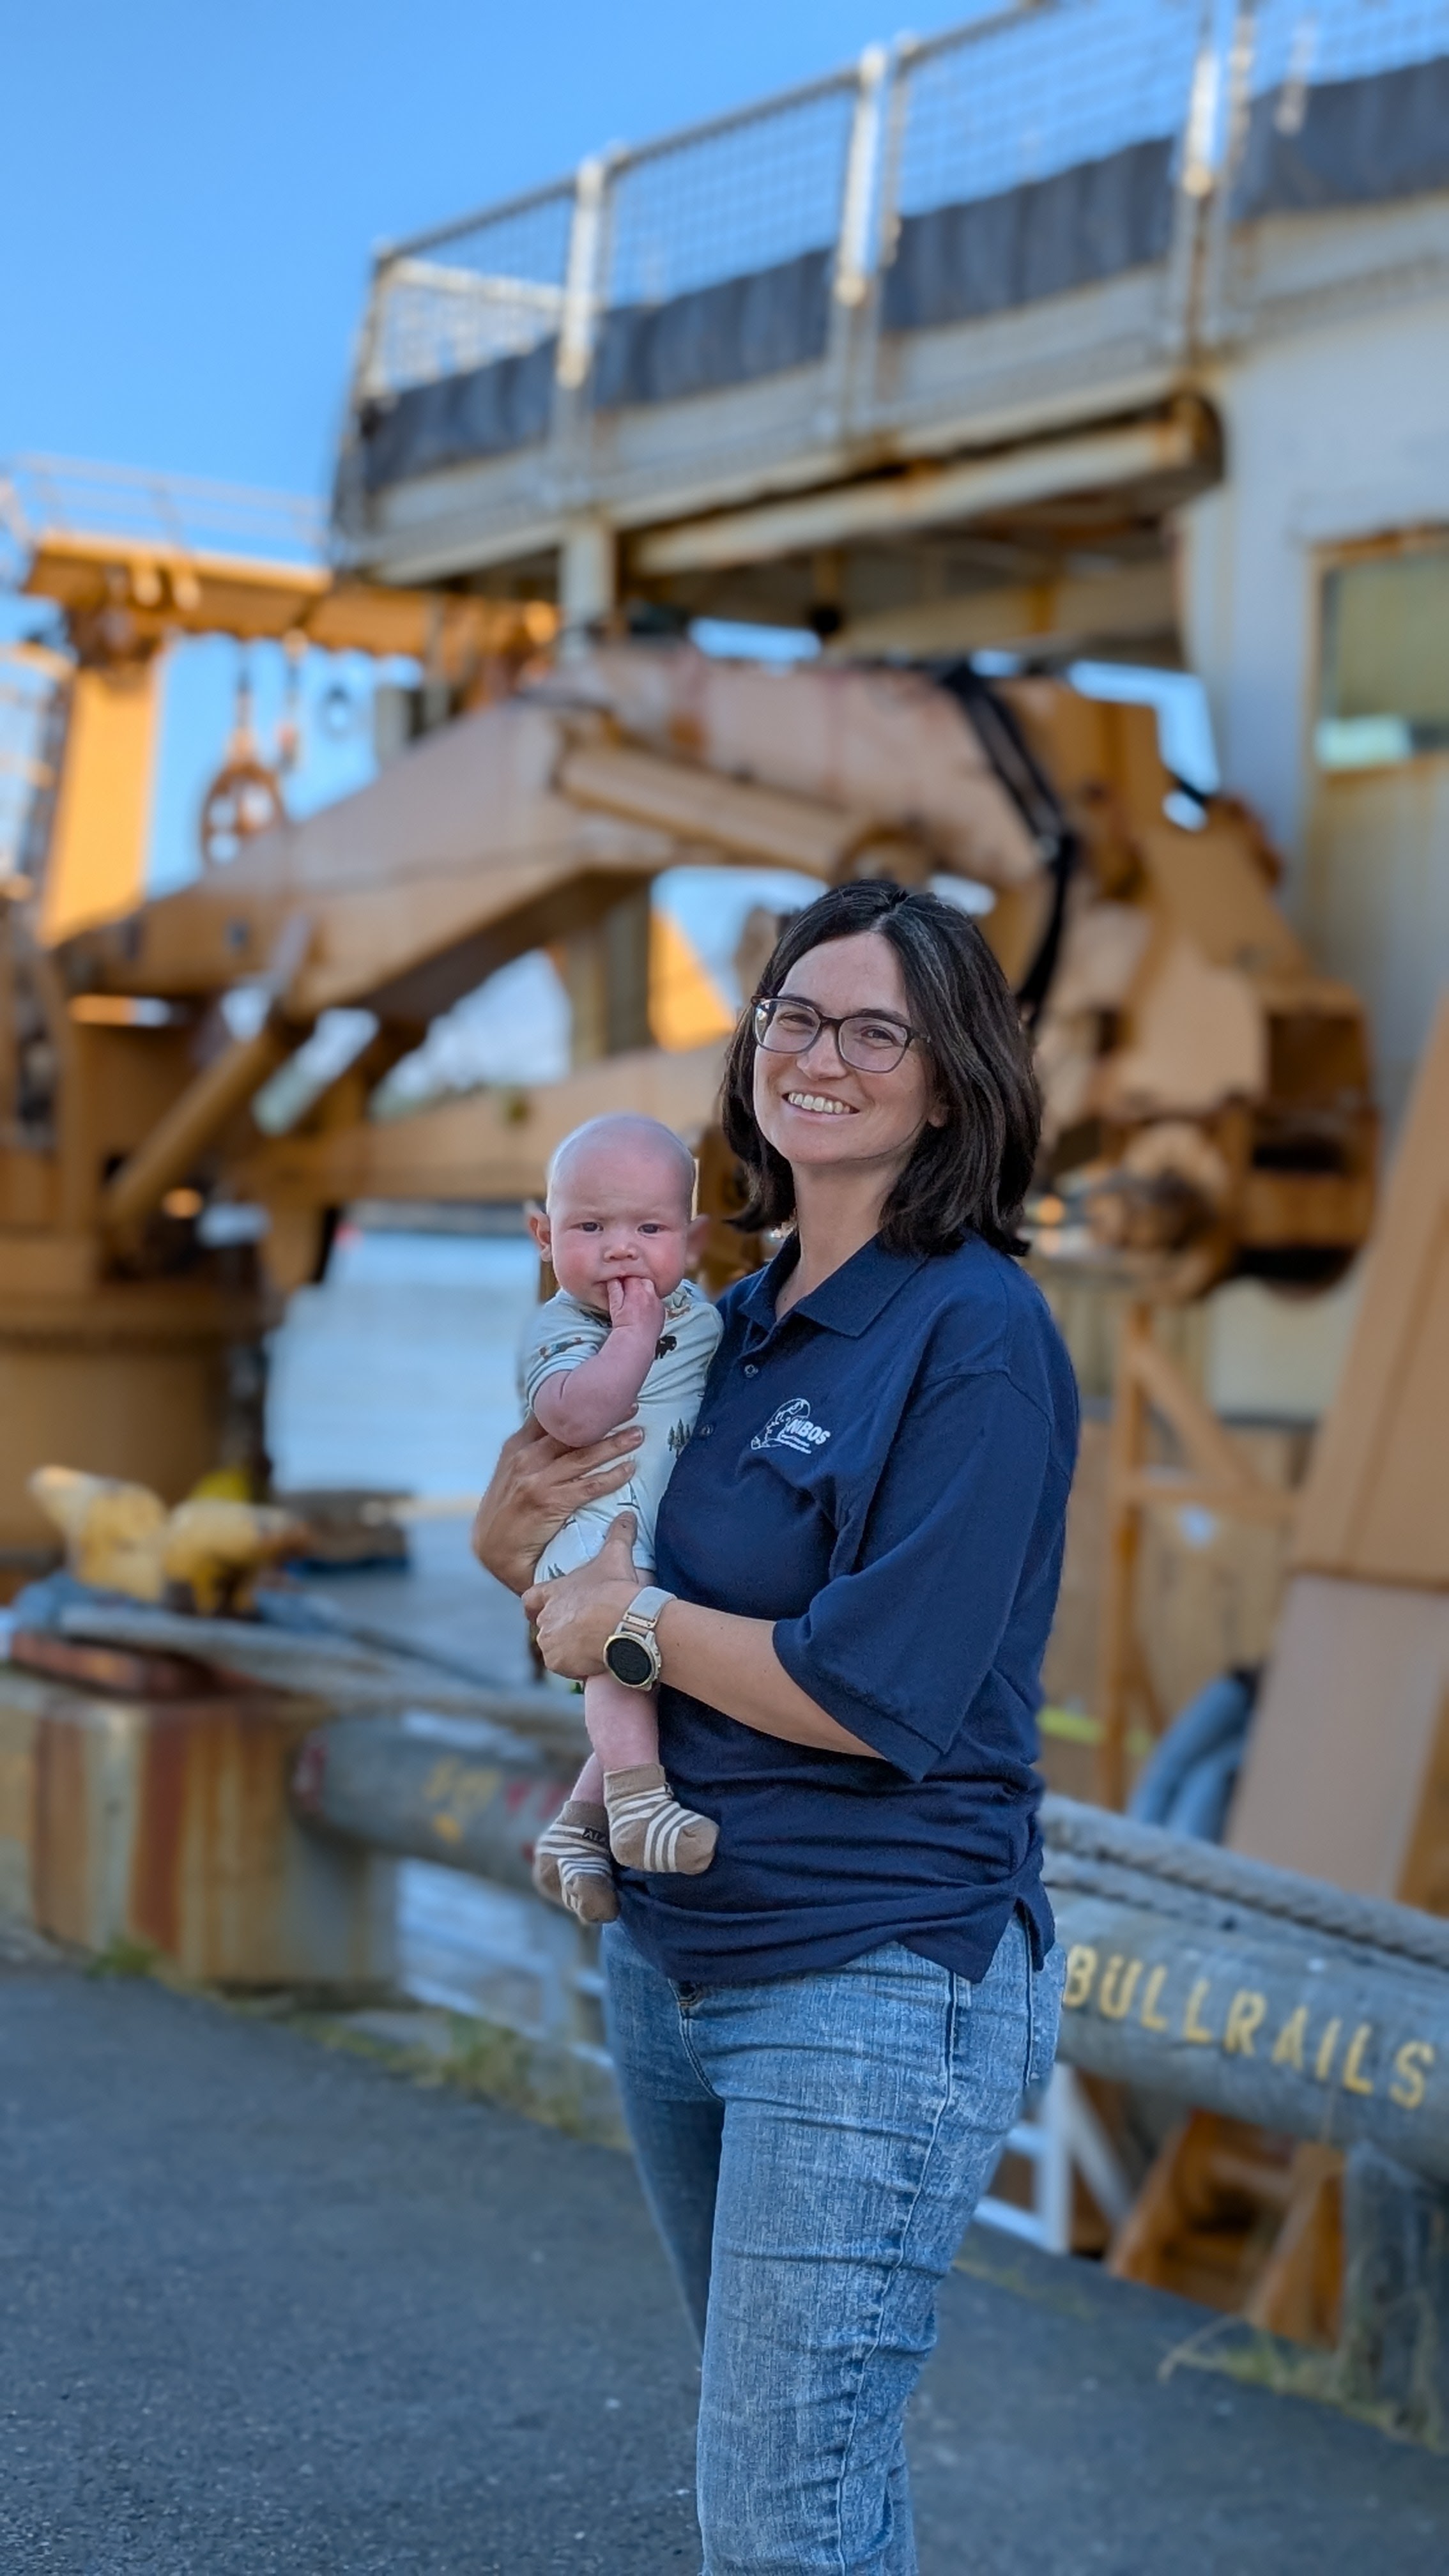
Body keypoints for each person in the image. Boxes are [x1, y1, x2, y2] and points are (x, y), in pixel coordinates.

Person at [473, 881, 1077, 2576]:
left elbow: (880, 1691)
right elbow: (559, 1570)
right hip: (674, 1962)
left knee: (779, 2514)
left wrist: (632, 1629)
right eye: (792, 1018)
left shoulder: (974, 1339)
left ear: (948, 1083)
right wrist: (513, 1545)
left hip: (867, 1976)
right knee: (795, 2480)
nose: (819, 1055)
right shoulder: (717, 1325)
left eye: (873, 1029)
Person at [522, 1114, 723, 1920]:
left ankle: (576, 1829)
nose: (621, 1248)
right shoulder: (564, 1330)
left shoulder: (700, 1315)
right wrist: (633, 1339)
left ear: (693, 1239)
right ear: (544, 1236)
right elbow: (574, 1418)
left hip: (654, 1532)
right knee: (623, 1640)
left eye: (649, 1227)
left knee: (652, 1660)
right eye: (590, 1227)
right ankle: (639, 1806)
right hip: (592, 1536)